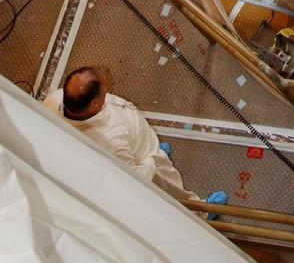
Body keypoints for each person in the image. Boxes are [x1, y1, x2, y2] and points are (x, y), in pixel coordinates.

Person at [44, 66, 227, 210]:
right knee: (170, 187)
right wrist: (153, 161)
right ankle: (200, 212)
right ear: (94, 104)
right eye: (104, 90)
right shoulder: (110, 142)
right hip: (145, 159)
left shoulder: (55, 101)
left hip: (139, 146)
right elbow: (136, 179)